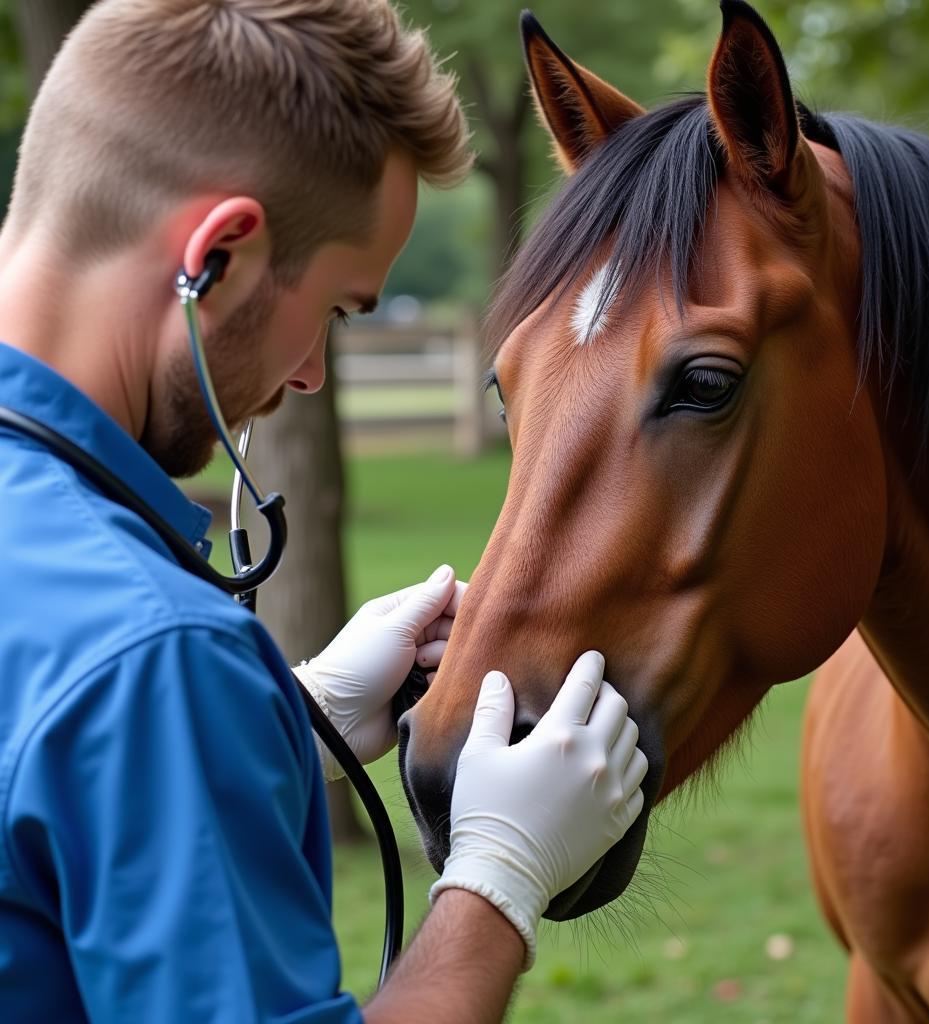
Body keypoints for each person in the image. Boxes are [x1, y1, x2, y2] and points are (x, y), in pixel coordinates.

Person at [0, 2, 649, 1022]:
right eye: (341, 309)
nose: (311, 376)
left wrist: (288, 720)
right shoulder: (150, 656)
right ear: (218, 255)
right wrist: (499, 876)